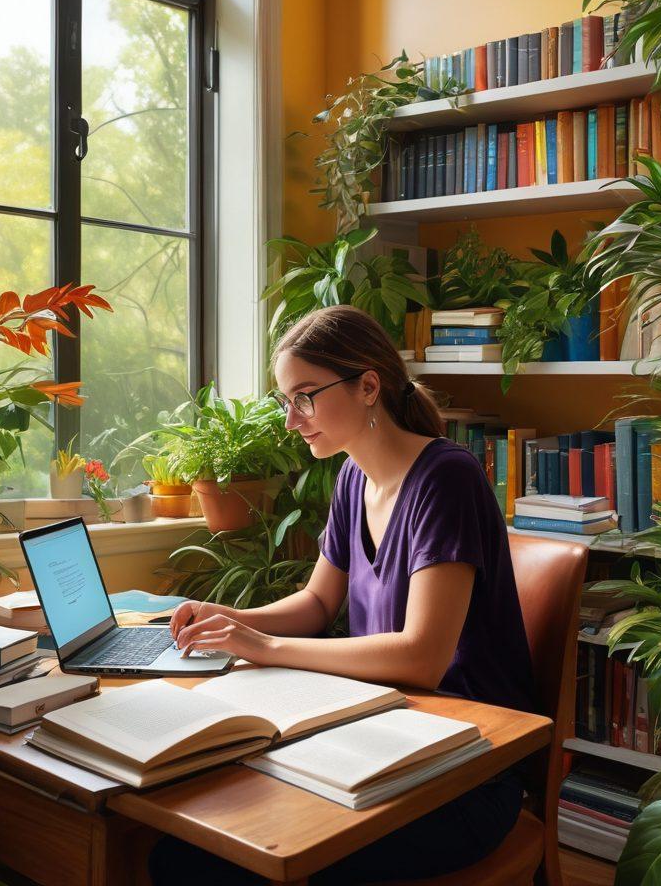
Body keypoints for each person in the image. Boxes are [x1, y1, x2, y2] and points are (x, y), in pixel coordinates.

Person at [148, 305, 536, 885]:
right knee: (189, 840)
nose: (290, 421)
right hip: (388, 732)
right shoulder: (354, 478)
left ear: (368, 387)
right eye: (285, 401)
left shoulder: (446, 479)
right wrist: (229, 618)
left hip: (470, 769)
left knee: (220, 859)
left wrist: (265, 648)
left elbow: (422, 658)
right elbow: (316, 604)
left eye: (304, 397)